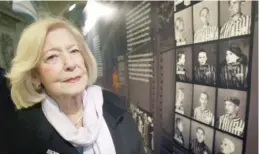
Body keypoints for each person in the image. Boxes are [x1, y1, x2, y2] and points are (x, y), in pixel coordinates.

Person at [4, 18, 144, 153]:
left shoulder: (114, 105)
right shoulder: (23, 132)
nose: (70, 64)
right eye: (52, 57)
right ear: (35, 75)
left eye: (74, 51)